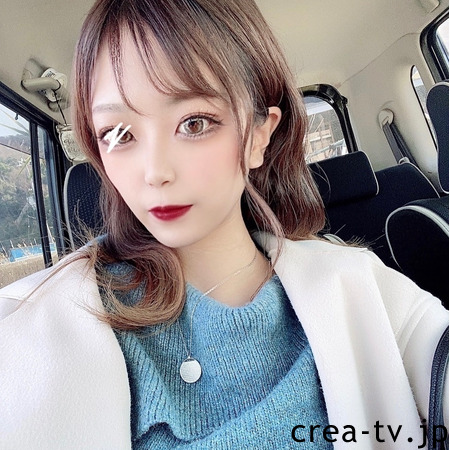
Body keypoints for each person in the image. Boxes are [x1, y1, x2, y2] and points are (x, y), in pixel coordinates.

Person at [0, 0, 447, 448]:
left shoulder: (360, 288)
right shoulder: (42, 325)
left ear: (259, 135)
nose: (155, 172)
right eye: (118, 134)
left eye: (194, 123)